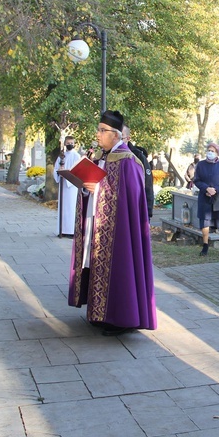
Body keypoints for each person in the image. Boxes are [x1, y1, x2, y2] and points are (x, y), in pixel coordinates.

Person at [67, 110, 156, 336]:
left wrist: (98, 189)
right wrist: (86, 190)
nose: (98, 134)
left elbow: (132, 197)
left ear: (115, 135)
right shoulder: (100, 158)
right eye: (98, 130)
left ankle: (122, 318)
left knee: (121, 267)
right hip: (96, 226)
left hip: (120, 231)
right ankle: (100, 314)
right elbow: (93, 189)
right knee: (94, 265)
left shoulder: (128, 161)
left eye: (102, 130)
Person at [193, 142, 219, 256]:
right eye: (208, 150)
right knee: (205, 222)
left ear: (217, 153)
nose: (210, 152)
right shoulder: (201, 165)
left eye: (212, 151)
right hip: (205, 197)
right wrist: (206, 189)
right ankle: (205, 246)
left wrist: (216, 189)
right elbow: (197, 180)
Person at [122, 124, 154, 220]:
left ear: (128, 138)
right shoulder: (108, 155)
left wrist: (148, 213)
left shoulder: (138, 157)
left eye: (121, 138)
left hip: (136, 209)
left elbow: (147, 185)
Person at [53, 135, 81, 237]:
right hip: (63, 185)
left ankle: (71, 231)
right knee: (63, 207)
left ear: (74, 144)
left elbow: (78, 170)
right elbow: (56, 168)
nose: (70, 145)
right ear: (65, 143)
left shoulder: (76, 156)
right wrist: (59, 172)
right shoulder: (62, 156)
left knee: (71, 207)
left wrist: (69, 175)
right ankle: (62, 230)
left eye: (71, 143)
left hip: (71, 186)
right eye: (68, 143)